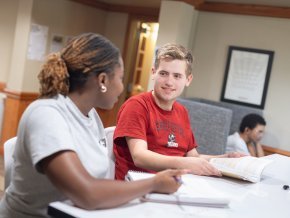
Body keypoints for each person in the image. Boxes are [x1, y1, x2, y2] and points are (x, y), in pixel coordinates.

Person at [0, 33, 185, 218]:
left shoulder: (91, 116)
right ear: (103, 80)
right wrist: (154, 183)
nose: (122, 88)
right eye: (120, 78)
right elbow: (86, 193)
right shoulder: (46, 114)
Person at [113, 43, 244, 180]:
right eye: (163, 73)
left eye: (177, 76)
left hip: (174, 186)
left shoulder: (182, 112)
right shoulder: (137, 105)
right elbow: (139, 157)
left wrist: (225, 158)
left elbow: (193, 158)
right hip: (137, 188)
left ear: (188, 80)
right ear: (153, 73)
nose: (169, 82)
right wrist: (184, 164)